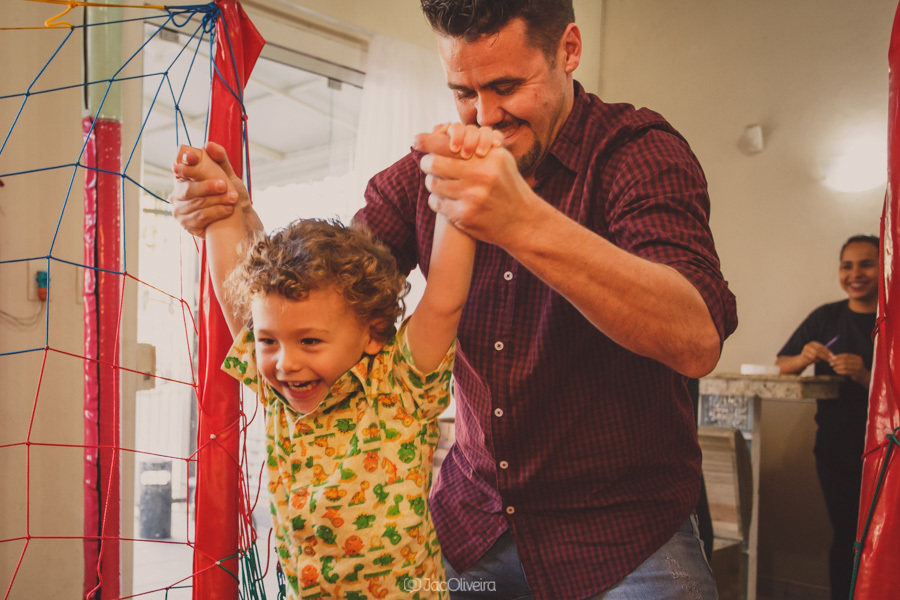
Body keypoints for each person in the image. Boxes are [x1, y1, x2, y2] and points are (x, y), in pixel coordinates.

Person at [171, 1, 738, 598]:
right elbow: (318, 302)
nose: (486, 115)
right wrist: (234, 216)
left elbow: (695, 340)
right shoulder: (427, 171)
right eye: (464, 92)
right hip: (472, 525)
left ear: (568, 50)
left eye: (506, 86)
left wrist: (522, 222)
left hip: (623, 534)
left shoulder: (637, 152)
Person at [186, 129, 500, 598]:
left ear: (373, 331)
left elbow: (445, 300)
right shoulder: (282, 396)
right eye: (269, 340)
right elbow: (235, 292)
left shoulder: (398, 386)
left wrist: (458, 189)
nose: (285, 362)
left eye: (310, 340)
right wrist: (219, 203)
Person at [775, 234, 878, 600]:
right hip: (835, 449)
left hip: (886, 453)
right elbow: (781, 366)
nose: (855, 273)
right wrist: (803, 359)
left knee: (883, 539)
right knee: (847, 535)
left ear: (885, 267)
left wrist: (868, 375)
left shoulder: (892, 320)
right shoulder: (826, 316)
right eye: (847, 265)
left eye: (866, 263)